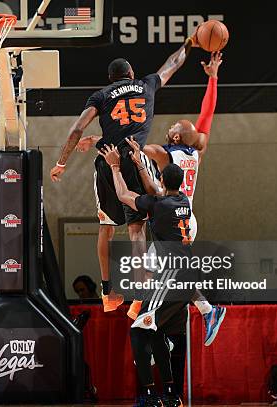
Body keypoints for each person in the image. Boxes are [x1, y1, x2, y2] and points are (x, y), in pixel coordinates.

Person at [49, 31, 201, 320]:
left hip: (108, 160)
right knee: (136, 230)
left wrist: (61, 162)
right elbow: (172, 64)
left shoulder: (101, 95)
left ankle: (107, 293)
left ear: (111, 79)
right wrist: (189, 43)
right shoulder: (145, 85)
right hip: (134, 157)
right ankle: (140, 296)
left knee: (105, 227)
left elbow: (76, 129)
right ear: (131, 74)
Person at [80, 52, 227, 345]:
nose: (170, 126)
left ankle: (170, 314)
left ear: (174, 138)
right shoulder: (197, 150)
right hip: (186, 216)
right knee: (162, 273)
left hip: (169, 214)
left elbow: (128, 143)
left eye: (173, 126)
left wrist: (97, 141)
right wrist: (213, 79)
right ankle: (157, 316)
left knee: (150, 268)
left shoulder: (162, 152)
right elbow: (206, 115)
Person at [100, 148, 194, 407]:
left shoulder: (158, 205)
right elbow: (154, 186)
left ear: (163, 182)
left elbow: (123, 195)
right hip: (186, 278)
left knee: (138, 330)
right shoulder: (182, 201)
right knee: (157, 333)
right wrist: (139, 162)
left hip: (172, 279)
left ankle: (152, 396)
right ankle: (172, 395)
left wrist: (116, 167)